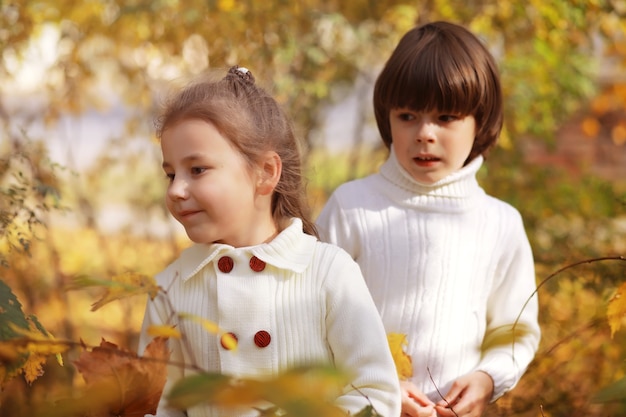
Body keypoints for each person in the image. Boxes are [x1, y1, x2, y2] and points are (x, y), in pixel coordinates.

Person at [137, 66, 401, 417]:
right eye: (171, 174)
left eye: (197, 170)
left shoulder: (328, 273)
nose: (176, 190)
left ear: (265, 173)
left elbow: (375, 394)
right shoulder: (169, 290)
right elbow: (159, 406)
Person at [316, 21, 541, 417]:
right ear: (387, 118)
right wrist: (374, 386)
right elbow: (312, 316)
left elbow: (514, 330)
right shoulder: (352, 208)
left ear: (481, 122)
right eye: (407, 116)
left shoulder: (499, 224)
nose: (425, 133)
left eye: (446, 117)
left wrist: (488, 378)